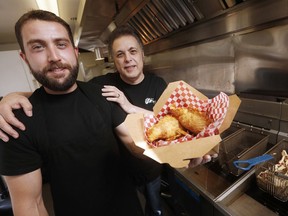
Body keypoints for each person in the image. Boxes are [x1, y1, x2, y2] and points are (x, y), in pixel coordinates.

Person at [0, 10, 145, 216]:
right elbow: (30, 206)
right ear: (24, 58)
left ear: (74, 51)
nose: (54, 57)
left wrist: (181, 148)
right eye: (38, 47)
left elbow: (135, 143)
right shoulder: (16, 121)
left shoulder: (102, 94)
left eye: (61, 44)